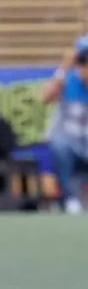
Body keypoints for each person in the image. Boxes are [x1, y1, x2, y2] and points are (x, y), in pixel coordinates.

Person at [41, 36, 88, 214]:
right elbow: (45, 98)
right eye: (83, 60)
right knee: (59, 144)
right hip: (70, 142)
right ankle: (70, 199)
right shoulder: (67, 79)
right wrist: (63, 69)